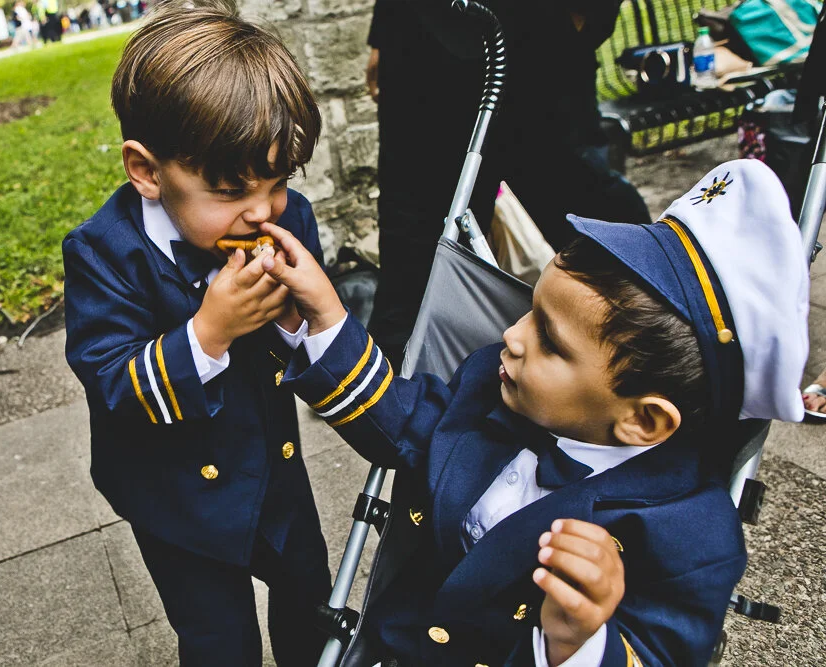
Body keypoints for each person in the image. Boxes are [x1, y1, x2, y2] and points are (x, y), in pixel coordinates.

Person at [260, 158, 808, 666]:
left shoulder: (688, 533)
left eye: (550, 340)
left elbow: (663, 652)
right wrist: (324, 319)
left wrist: (582, 639)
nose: (512, 335)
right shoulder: (487, 389)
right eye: (530, 311)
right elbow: (400, 420)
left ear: (643, 420)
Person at [62, 2, 331, 664]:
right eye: (233, 189)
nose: (263, 208)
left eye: (278, 180)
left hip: (273, 471)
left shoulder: (283, 213)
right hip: (175, 497)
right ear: (148, 171)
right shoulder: (106, 253)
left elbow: (304, 345)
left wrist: (301, 317)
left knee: (312, 605)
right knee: (219, 640)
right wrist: (208, 331)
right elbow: (113, 386)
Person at [366, 0, 652, 373]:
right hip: (426, 40)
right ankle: (391, 386)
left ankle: (653, 340)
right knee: (416, 235)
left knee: (593, 212)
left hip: (545, 35)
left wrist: (586, 15)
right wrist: (386, 29)